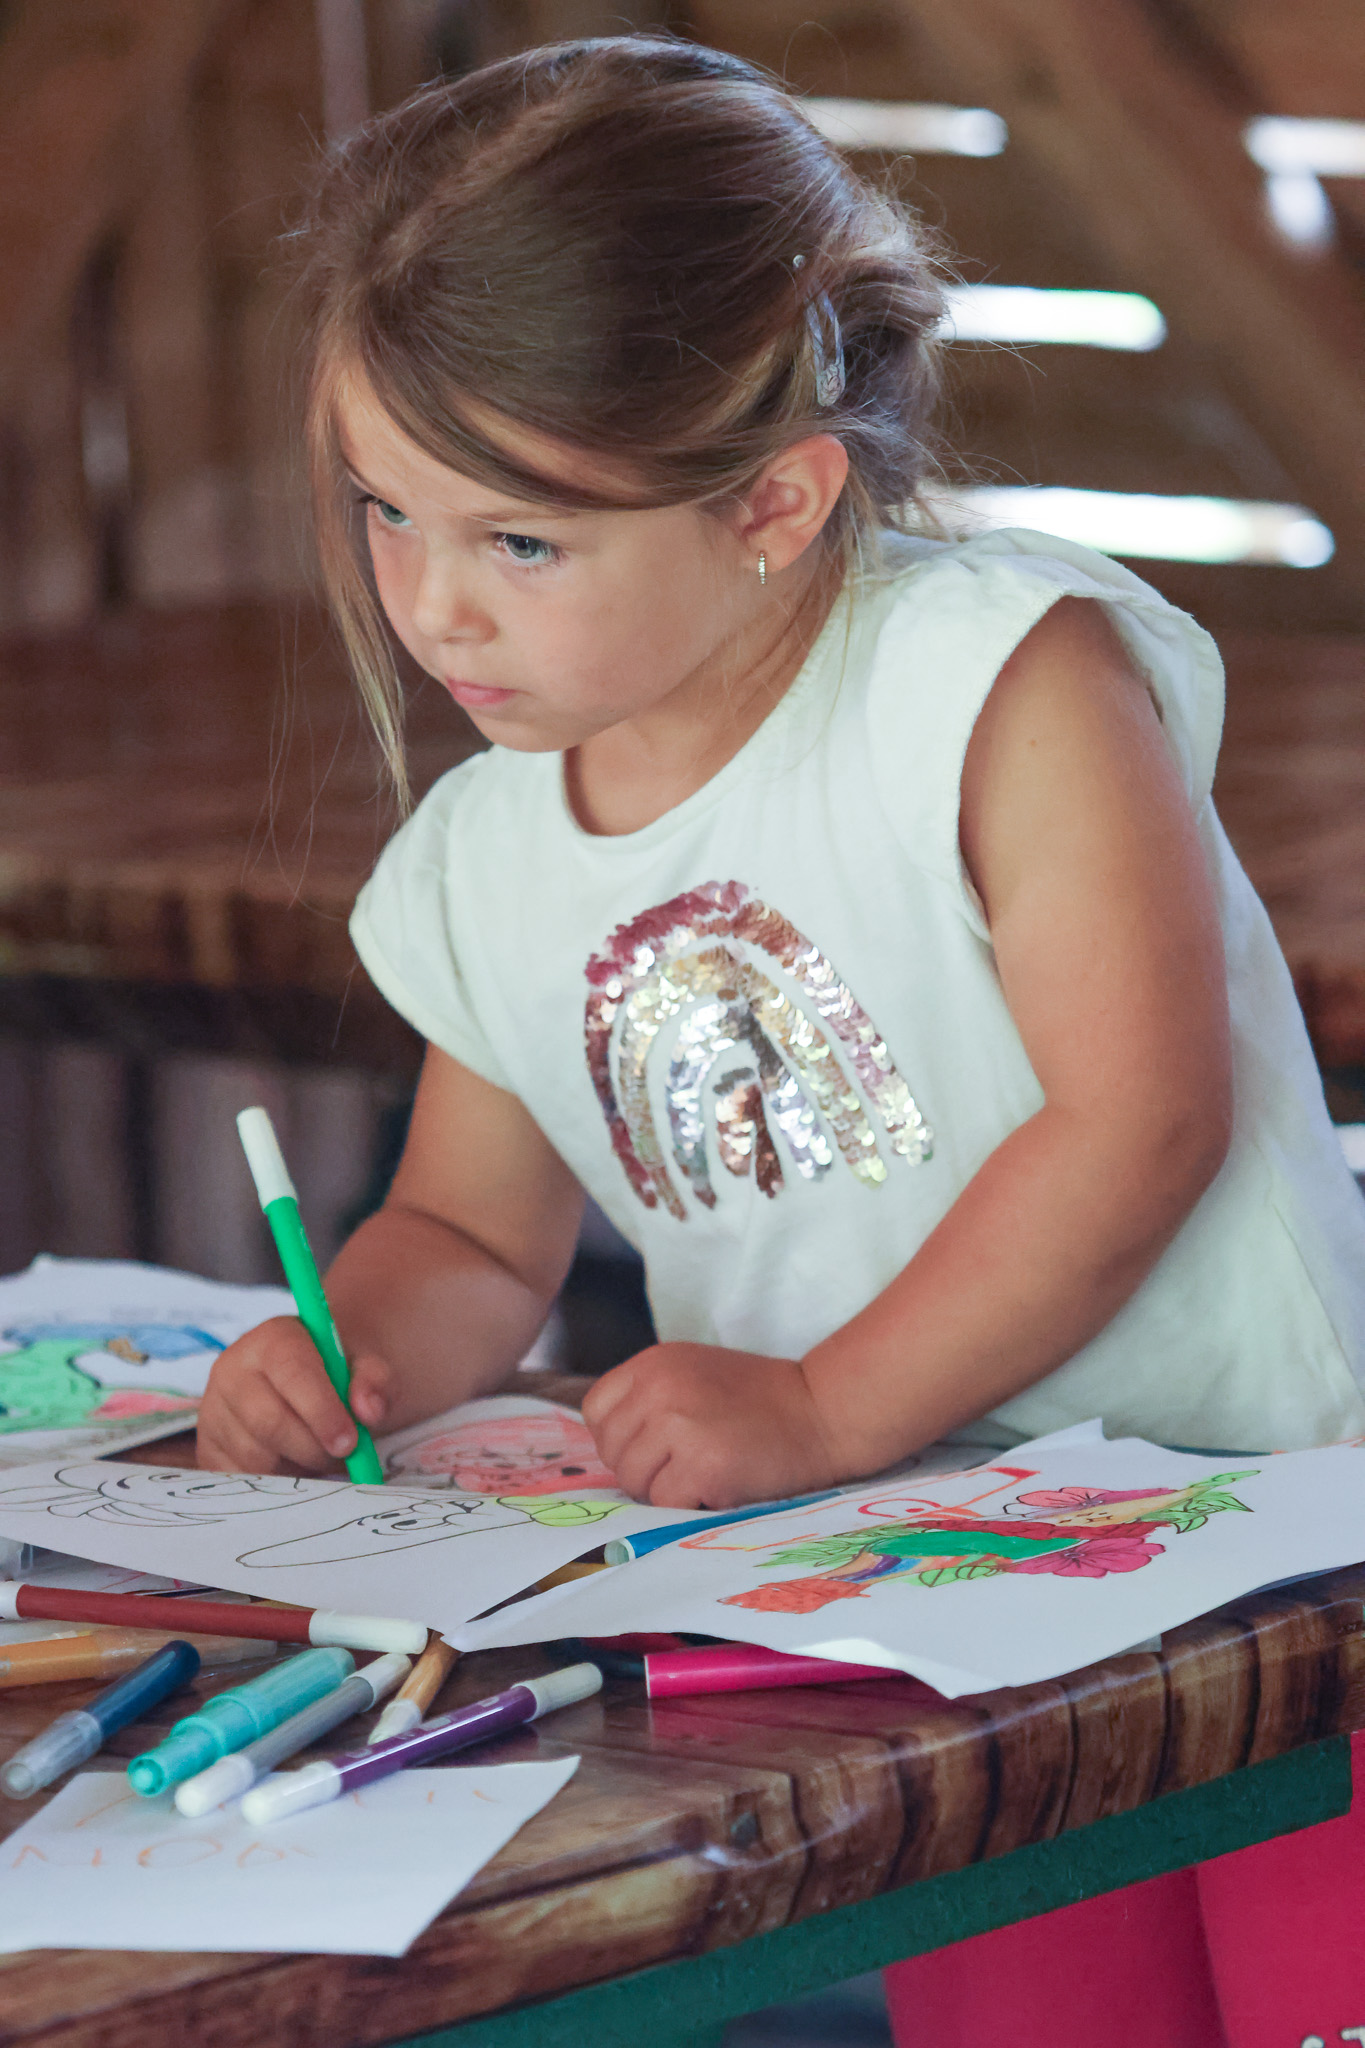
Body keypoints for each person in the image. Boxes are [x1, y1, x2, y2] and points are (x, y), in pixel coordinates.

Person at [198, 34, 1365, 1507]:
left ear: (773, 503)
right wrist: (346, 1353)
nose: (433, 609)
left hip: (1236, 1519)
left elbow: (1140, 1125)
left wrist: (826, 1405)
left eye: (521, 541)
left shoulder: (996, 689)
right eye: (387, 511)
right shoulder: (484, 853)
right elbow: (471, 1238)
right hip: (835, 1548)